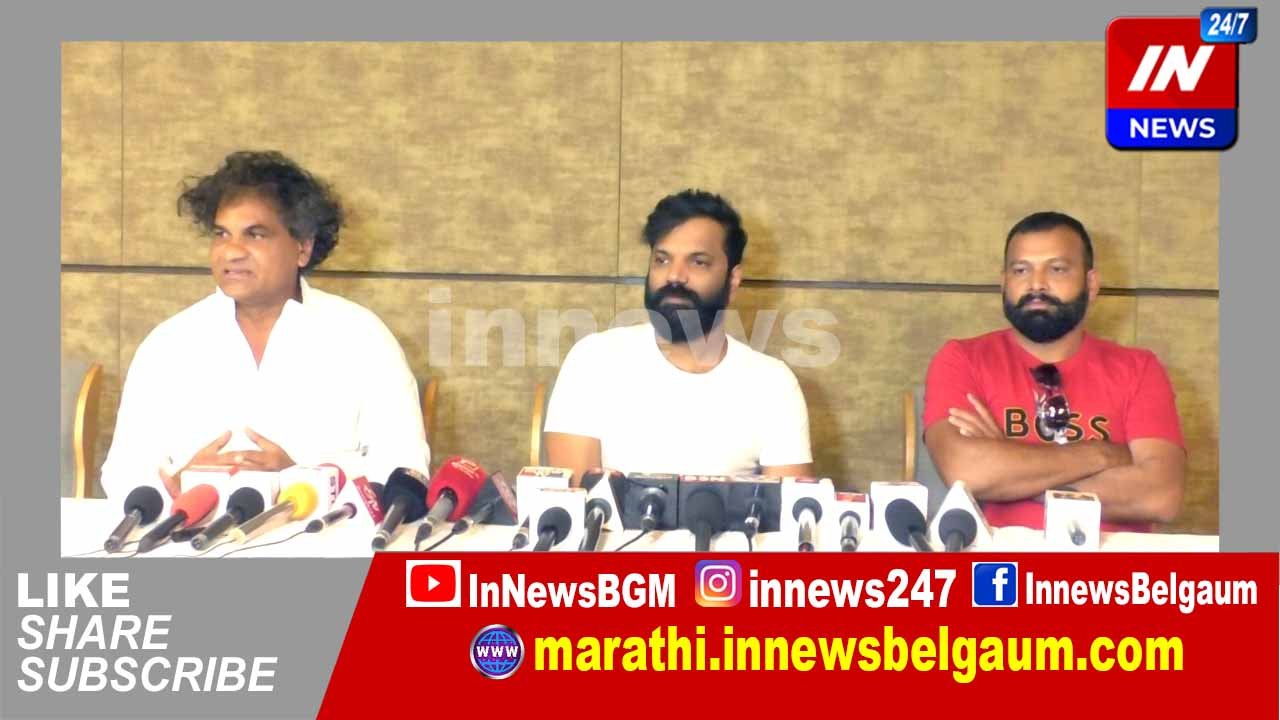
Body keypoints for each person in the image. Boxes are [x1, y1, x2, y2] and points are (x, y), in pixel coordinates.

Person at [99, 151, 429, 499]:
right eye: (221, 234)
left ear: (302, 248)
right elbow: (122, 473)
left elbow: (405, 467)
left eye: (255, 235)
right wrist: (179, 485)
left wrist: (302, 480)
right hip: (192, 531)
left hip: (321, 531)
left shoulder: (361, 336)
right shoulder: (169, 343)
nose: (231, 252)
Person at [923, 211, 1185, 531]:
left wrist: (1009, 464)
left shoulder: (1139, 369)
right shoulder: (962, 359)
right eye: (1021, 270)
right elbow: (968, 472)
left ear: (1091, 284)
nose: (1037, 284)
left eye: (1057, 269)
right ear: (1003, 282)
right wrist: (1102, 454)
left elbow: (1160, 496)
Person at [543, 189, 813, 484]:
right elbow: (576, 499)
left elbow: (787, 509)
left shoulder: (773, 384)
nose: (674, 276)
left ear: (733, 280)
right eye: (662, 260)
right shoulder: (594, 360)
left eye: (698, 262)